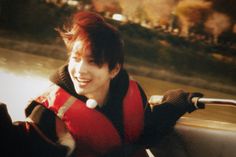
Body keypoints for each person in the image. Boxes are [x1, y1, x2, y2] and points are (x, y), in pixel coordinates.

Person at [0, 11, 205, 157]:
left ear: (114, 70)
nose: (80, 70)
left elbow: (144, 133)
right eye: (76, 58)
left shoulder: (130, 91)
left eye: (94, 62)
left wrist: (174, 104)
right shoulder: (46, 114)